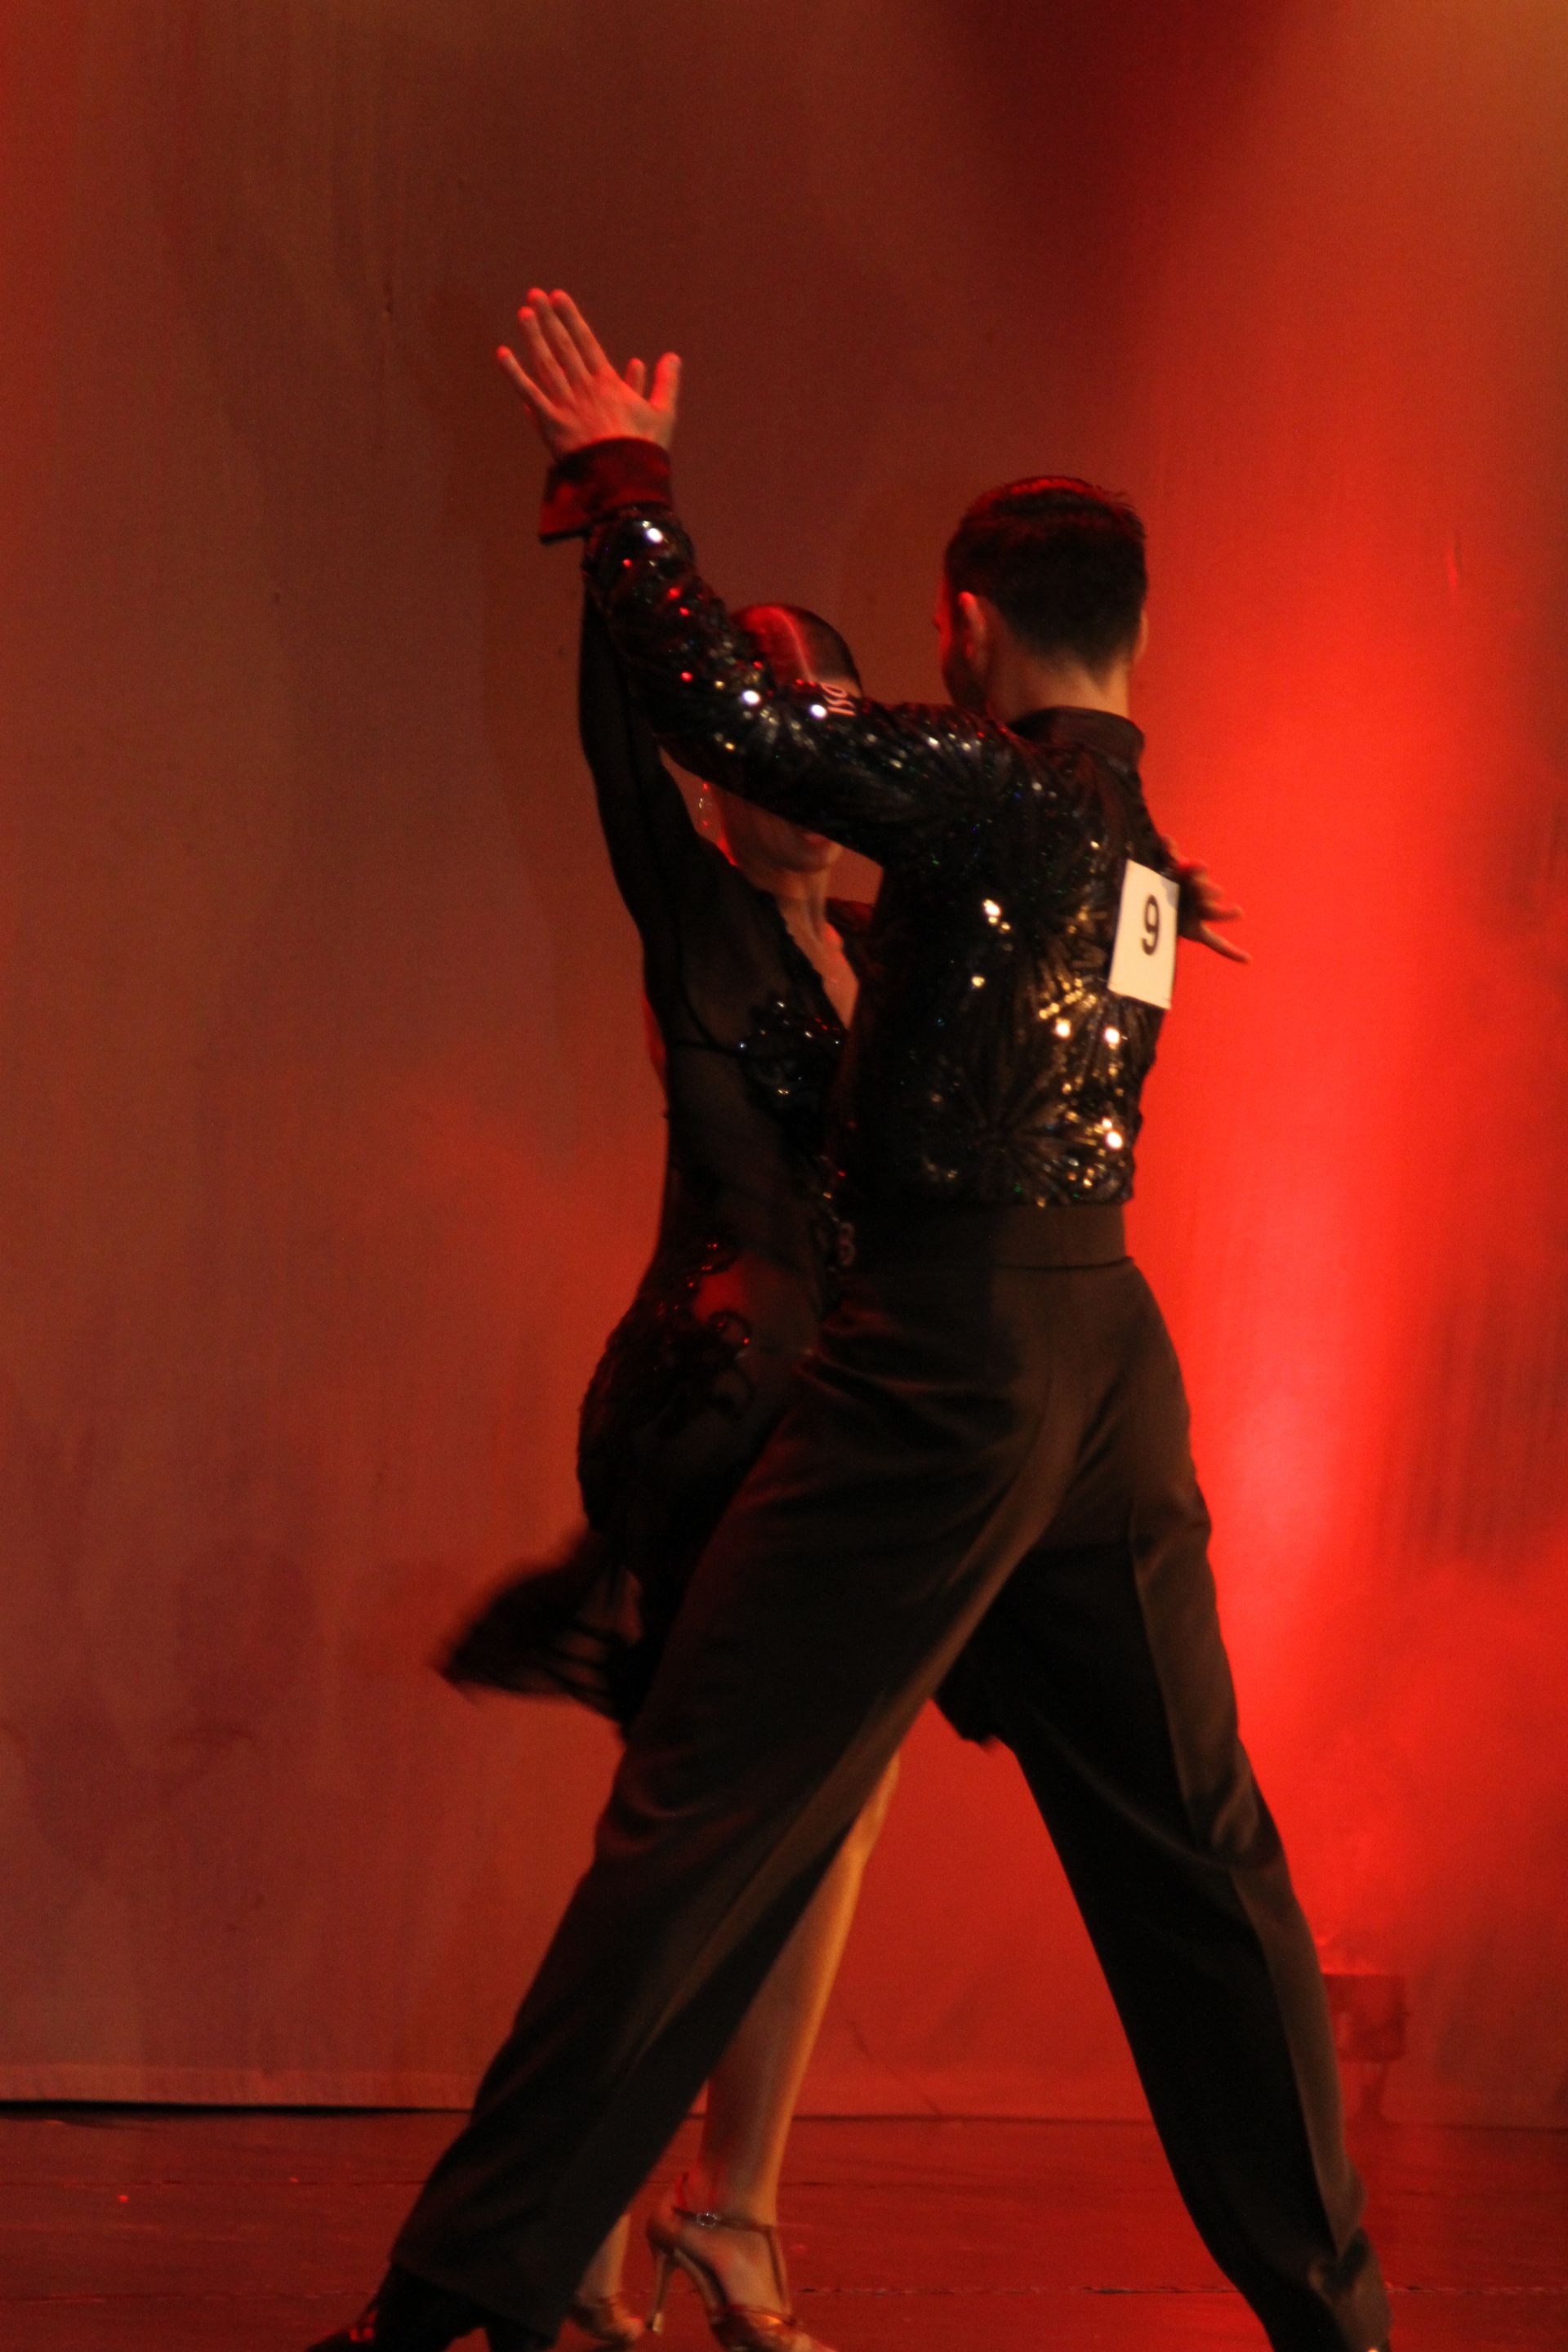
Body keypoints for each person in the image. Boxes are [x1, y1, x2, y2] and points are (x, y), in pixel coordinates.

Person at [313, 290, 1388, 2352]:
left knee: (699, 1818)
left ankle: (454, 2302)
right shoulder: (1134, 860)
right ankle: (1339, 2321)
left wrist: (625, 484)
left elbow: (726, 707)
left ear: (967, 627)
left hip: (944, 1367)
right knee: (1198, 1853)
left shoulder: (991, 796)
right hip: (1104, 1365)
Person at [442, 590, 898, 2352]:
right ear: (720, 768)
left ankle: (695, 2211)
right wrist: (619, 507)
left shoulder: (884, 941)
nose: (804, 755)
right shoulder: (698, 914)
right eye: (769, 725)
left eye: (830, 717)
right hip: (707, 1418)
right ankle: (656, 2215)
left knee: (810, 1817)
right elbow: (616, 737)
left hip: (836, 1431)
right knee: (723, 1829)